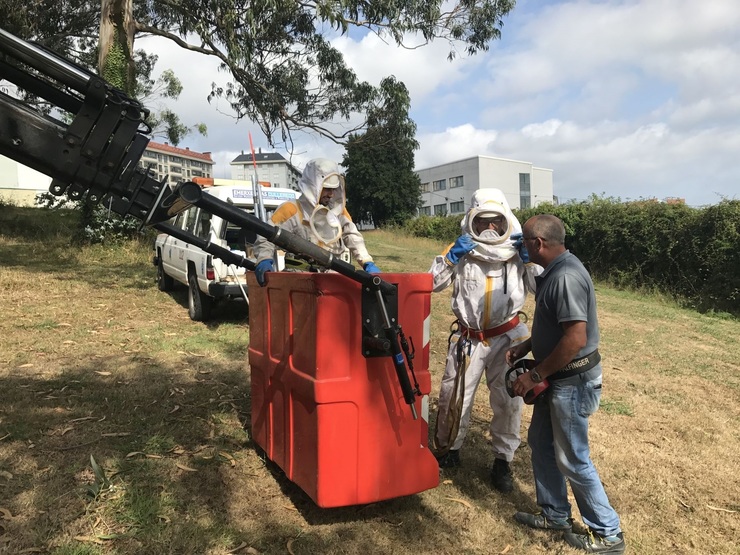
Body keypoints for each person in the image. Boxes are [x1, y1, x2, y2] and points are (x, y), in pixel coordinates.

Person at [507, 214, 625, 554]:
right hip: (558, 377)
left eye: (524, 242)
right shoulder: (554, 272)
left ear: (538, 244)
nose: (521, 249)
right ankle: (555, 515)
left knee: (573, 457)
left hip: (571, 382)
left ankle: (608, 534)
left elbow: (575, 338)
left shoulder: (567, 277)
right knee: (541, 443)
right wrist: (527, 345)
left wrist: (534, 375)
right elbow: (555, 325)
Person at [429, 188, 541, 493]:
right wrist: (451, 258)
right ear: (472, 222)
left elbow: (541, 288)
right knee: (454, 394)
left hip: (508, 337)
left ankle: (502, 460)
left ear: (505, 221)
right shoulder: (461, 249)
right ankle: (449, 449)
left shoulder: (519, 251)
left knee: (508, 400)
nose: (490, 228)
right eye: (483, 223)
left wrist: (530, 261)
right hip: (469, 336)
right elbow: (431, 283)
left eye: (496, 222)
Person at [252, 158, 380, 285]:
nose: (331, 194)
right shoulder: (291, 210)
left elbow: (352, 235)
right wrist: (264, 258)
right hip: (298, 280)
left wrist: (367, 261)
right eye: (327, 189)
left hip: (332, 278)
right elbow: (267, 236)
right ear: (313, 186)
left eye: (334, 189)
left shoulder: (337, 210)